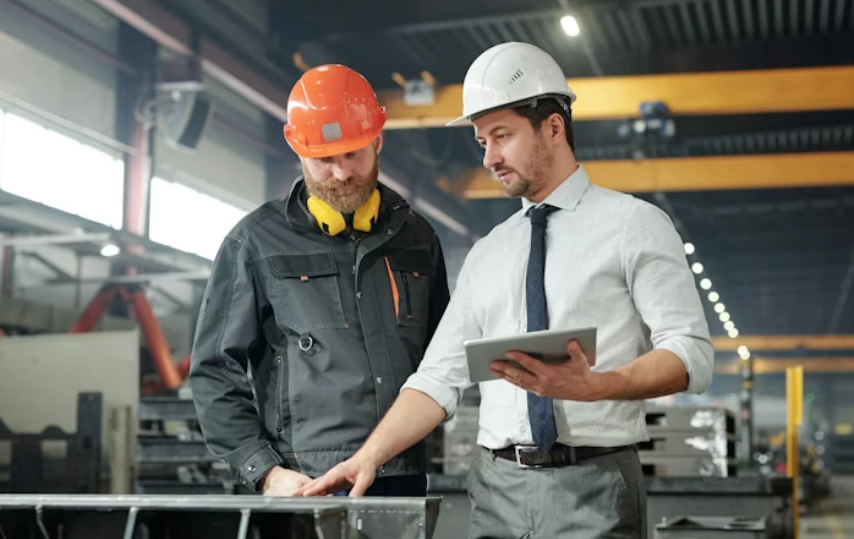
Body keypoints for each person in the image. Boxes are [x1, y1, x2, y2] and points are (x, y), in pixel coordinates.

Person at [297, 42, 714, 538]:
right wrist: (366, 458)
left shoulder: (634, 225)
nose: (490, 157)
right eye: (481, 142)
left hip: (594, 483)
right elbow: (437, 377)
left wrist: (597, 386)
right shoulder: (489, 252)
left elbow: (691, 354)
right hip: (495, 489)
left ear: (553, 127)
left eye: (502, 135)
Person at [188, 64, 450, 497]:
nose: (342, 173)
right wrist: (265, 471)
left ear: (378, 140)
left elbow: (445, 358)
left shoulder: (418, 238)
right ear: (298, 151)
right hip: (307, 483)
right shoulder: (255, 243)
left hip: (401, 475)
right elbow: (215, 370)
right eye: (324, 160)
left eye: (354, 154)